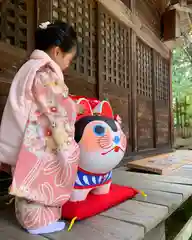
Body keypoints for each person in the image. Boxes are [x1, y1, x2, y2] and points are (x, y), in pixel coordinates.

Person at [0, 21, 80, 234]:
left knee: (28, 183)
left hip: (24, 136)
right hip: (32, 141)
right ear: (57, 51)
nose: (67, 65)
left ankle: (36, 220)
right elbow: (57, 108)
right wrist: (75, 107)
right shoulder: (44, 71)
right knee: (46, 175)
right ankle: (36, 223)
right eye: (68, 59)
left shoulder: (30, 67)